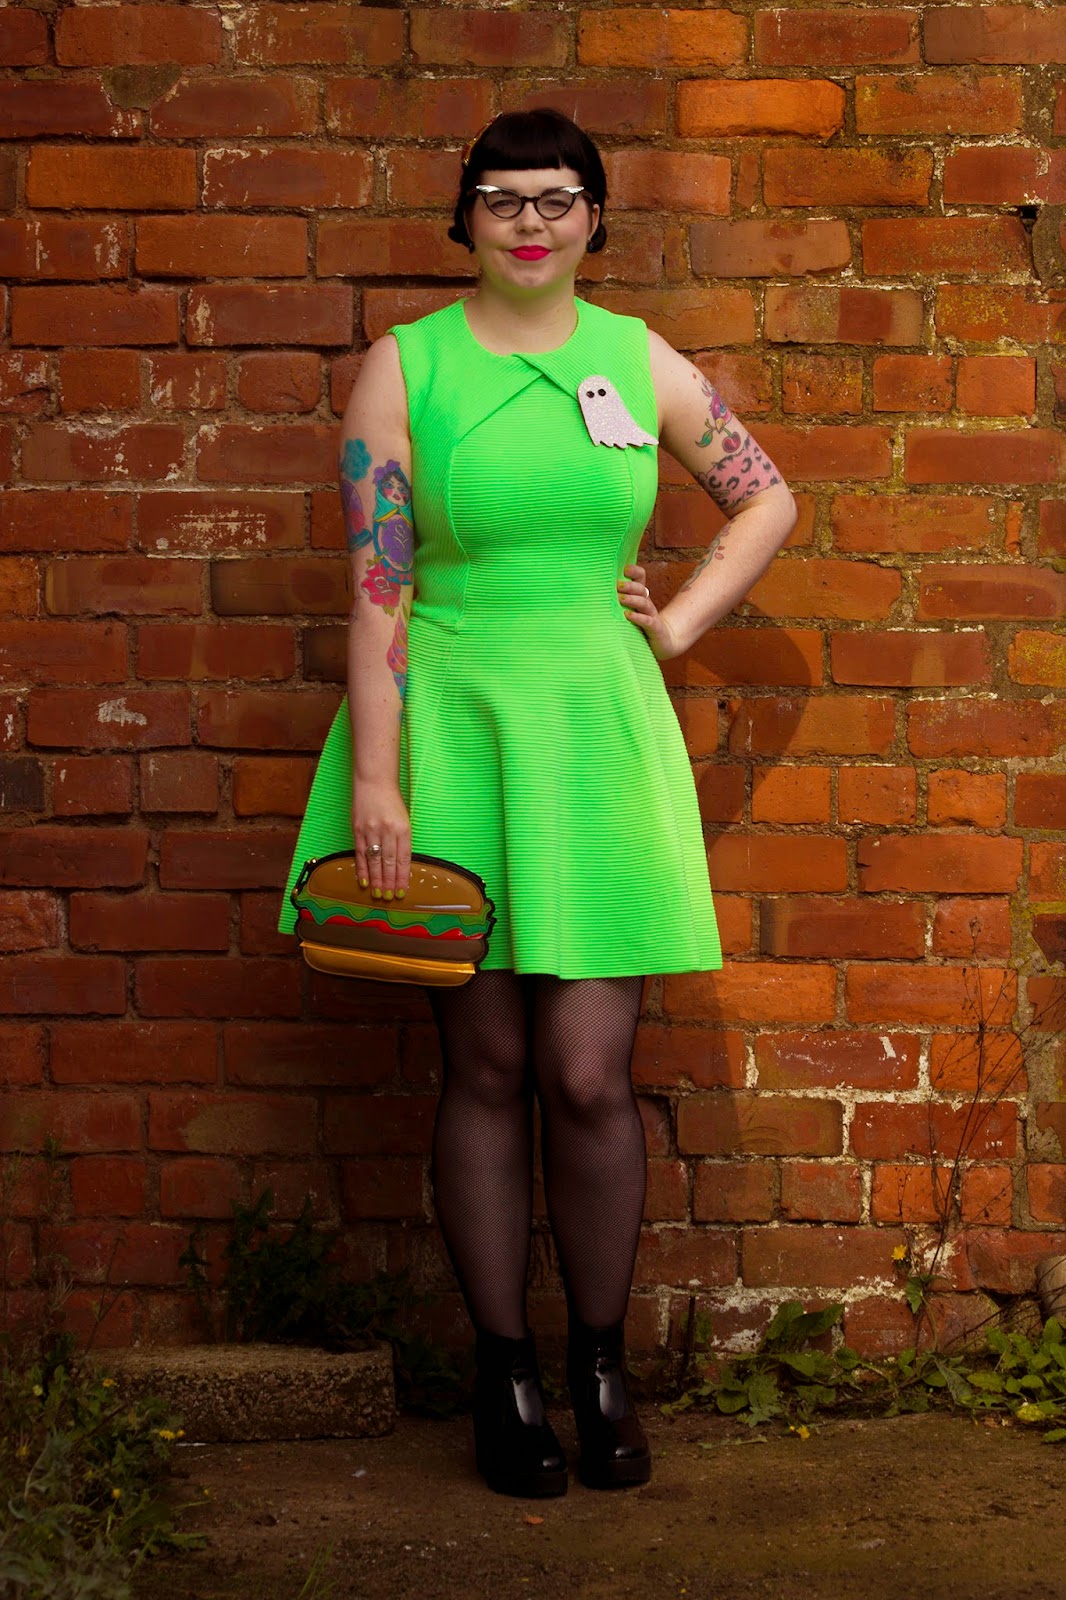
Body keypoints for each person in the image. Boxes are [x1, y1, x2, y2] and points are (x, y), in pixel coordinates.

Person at [278, 107, 797, 1497]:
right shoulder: (405, 369)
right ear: (465, 215)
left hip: (596, 735)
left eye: (557, 199)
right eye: (502, 198)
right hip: (453, 728)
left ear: (594, 219)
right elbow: (378, 583)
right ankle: (502, 1376)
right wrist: (376, 777)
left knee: (586, 1073)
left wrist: (677, 627)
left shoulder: (638, 358)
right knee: (490, 1067)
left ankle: (600, 1367)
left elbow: (766, 501)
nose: (529, 222)